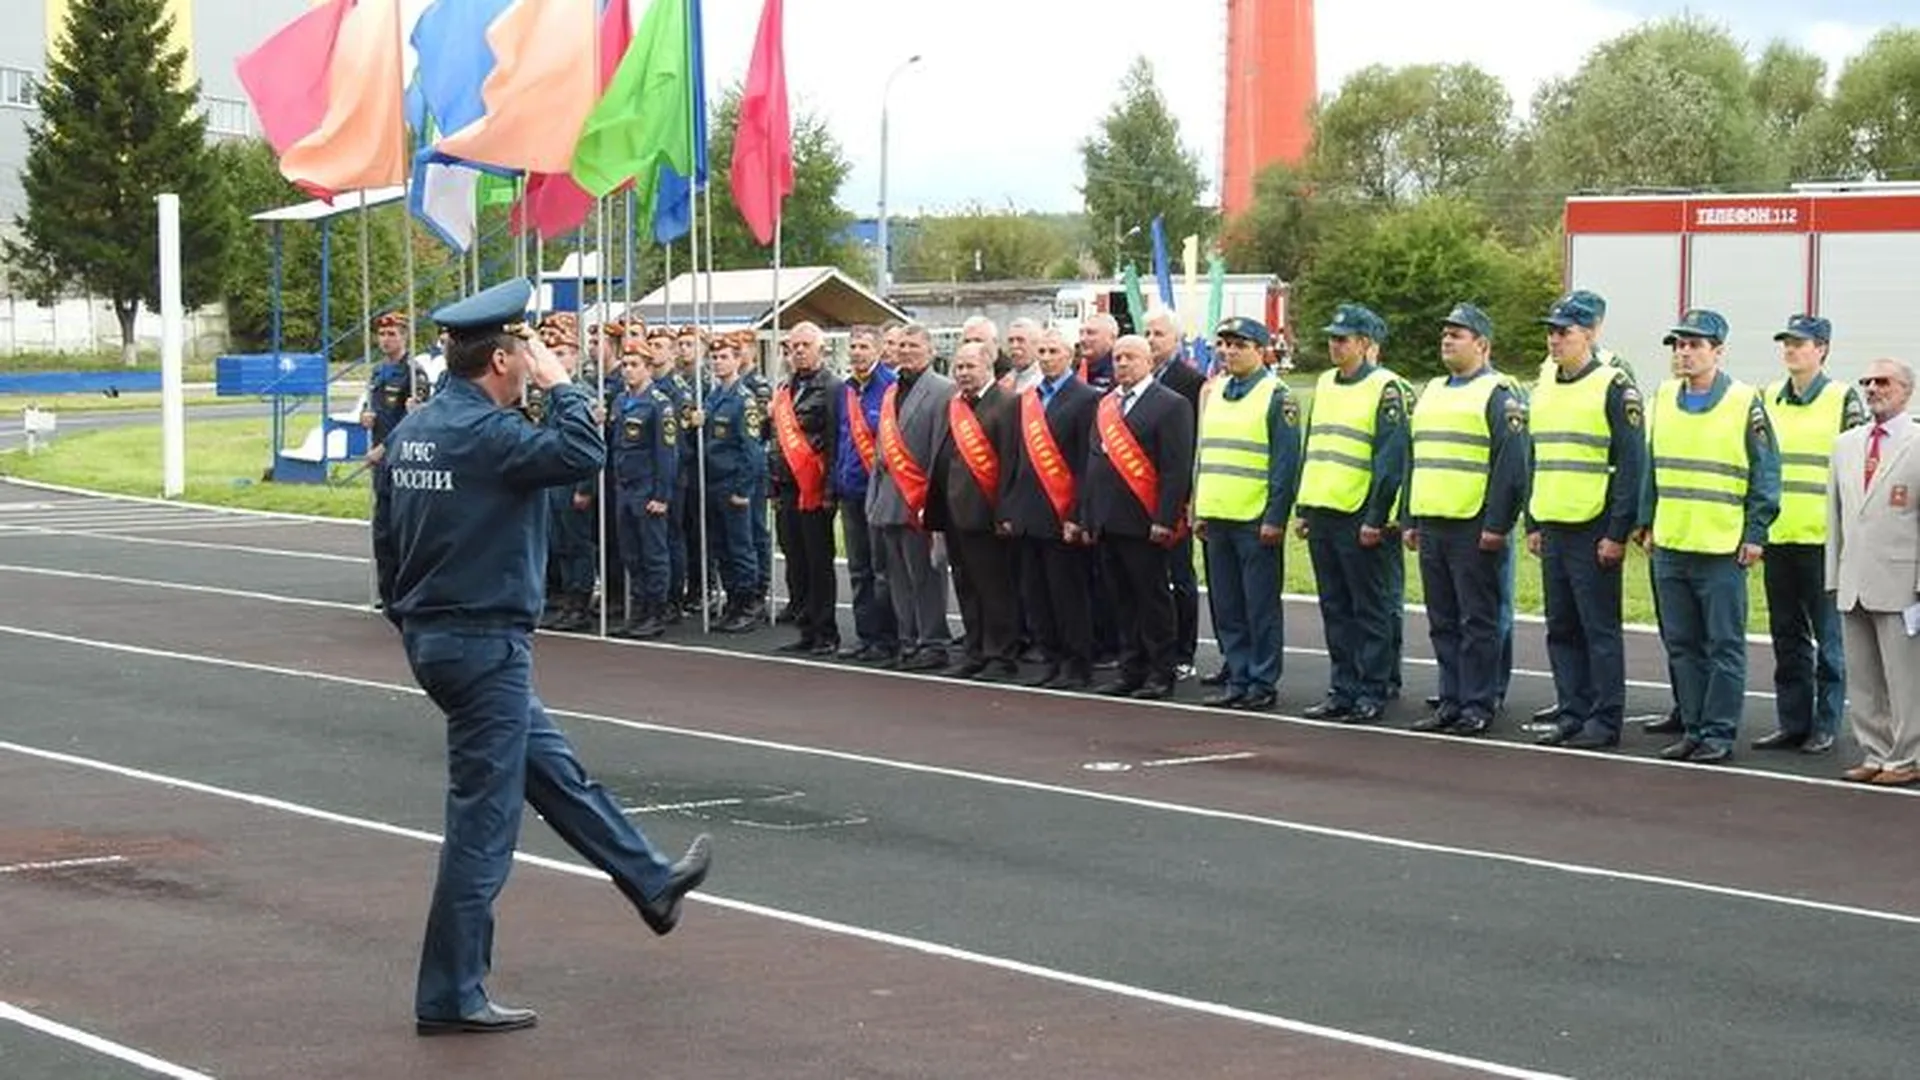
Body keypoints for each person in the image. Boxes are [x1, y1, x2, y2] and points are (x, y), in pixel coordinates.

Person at [384, 278, 710, 1036]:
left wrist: (407, 619)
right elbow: (581, 451)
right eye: (526, 353)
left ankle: (649, 880)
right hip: (483, 642)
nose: (535, 364)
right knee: (483, 824)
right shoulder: (490, 436)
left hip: (440, 637)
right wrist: (566, 386)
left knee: (555, 774)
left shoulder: (415, 431)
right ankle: (450, 993)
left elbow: (385, 541)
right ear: (501, 359)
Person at [1637, 309, 1780, 765]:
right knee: (1681, 643)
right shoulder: (1662, 397)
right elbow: (1651, 467)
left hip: (1721, 547)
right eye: (1679, 345)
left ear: (1718, 351)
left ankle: (1718, 733)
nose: (1684, 353)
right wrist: (1646, 522)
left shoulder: (1744, 402)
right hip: (1672, 544)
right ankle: (1694, 727)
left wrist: (1756, 531)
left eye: (1695, 345)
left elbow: (1766, 473)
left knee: (1723, 645)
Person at [1404, 305, 1528, 737]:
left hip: (1473, 525)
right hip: (1434, 520)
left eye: (1458, 334)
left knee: (1478, 620)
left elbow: (1512, 466)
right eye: (1445, 333)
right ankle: (1451, 697)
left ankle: (1479, 701)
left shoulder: (1499, 392)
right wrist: (1410, 517)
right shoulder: (1433, 390)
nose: (1447, 340)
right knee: (1443, 619)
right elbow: (1414, 456)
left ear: (1483, 344)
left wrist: (1497, 524)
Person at [1527, 296, 1644, 750]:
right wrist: (1533, 521)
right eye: (1552, 331)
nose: (1555, 339)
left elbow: (1630, 464)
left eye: (1565, 332)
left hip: (1592, 527)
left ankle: (1604, 718)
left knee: (1599, 629)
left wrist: (1617, 532)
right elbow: (1537, 455)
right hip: (1554, 521)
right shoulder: (1544, 385)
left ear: (1590, 335)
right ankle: (1572, 712)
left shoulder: (1614, 386)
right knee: (1561, 628)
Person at [1295, 304, 1409, 725]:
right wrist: (1305, 507)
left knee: (1371, 608)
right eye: (1332, 337)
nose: (1334, 345)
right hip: (1325, 509)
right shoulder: (1325, 382)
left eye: (1343, 339)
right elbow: (1315, 444)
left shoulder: (1387, 388)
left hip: (1360, 515)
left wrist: (1376, 517)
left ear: (1366, 344)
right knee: (1336, 607)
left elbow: (1390, 459)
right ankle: (1343, 687)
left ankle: (1373, 688)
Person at [1756, 315, 1865, 754]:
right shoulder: (1768, 398)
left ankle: (1826, 724)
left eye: (1799, 343)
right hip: (1780, 538)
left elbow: (1856, 473)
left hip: (1823, 541)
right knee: (1787, 638)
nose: (1790, 350)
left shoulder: (1842, 399)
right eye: (1786, 342)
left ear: (1822, 349)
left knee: (1829, 641)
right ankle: (1793, 722)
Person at [1193, 317, 1300, 710]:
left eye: (1239, 345)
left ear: (1260, 350)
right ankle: (1237, 675)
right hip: (1219, 515)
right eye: (1225, 344)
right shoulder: (1217, 391)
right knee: (1228, 605)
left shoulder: (1277, 395)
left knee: (1260, 606)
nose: (1229, 352)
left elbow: (1285, 465)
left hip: (1255, 520)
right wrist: (1201, 509)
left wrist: (1275, 517)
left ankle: (1261, 680)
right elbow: (1207, 454)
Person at [1082, 334, 1196, 699]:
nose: (1122, 364)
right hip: (1108, 520)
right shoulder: (1105, 405)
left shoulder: (1171, 404)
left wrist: (1165, 518)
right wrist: (1088, 515)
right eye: (1117, 358)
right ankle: (1131, 667)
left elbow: (1176, 469)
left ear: (1149, 361)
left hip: (1145, 520)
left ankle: (1161, 671)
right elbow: (1093, 465)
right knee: (1122, 600)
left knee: (1152, 600)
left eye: (1131, 357)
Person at [1827, 357, 1920, 786]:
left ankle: (1907, 757)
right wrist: (1834, 575)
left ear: (1906, 390)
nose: (1873, 388)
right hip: (1854, 579)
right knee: (1863, 676)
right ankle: (1875, 750)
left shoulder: (1917, 444)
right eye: (1867, 381)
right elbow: (1837, 518)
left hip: (1902, 581)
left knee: (1904, 678)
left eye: (1883, 381)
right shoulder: (1846, 445)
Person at [1001, 327, 1102, 690]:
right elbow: (1014, 459)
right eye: (1041, 351)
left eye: (1053, 351)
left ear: (1070, 355)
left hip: (1062, 515)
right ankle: (1052, 657)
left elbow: (1084, 464)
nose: (1045, 357)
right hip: (1028, 512)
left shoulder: (1086, 398)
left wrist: (1076, 514)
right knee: (1036, 593)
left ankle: (1077, 663)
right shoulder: (1026, 400)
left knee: (1067, 593)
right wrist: (1009, 508)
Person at [931, 341, 1022, 678]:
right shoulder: (953, 404)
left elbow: (1011, 461)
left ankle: (1001, 654)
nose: (963, 373)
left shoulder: (1008, 404)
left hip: (987, 513)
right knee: (967, 585)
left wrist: (1004, 512)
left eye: (970, 366)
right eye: (959, 367)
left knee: (994, 587)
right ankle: (976, 648)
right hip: (954, 511)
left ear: (988, 367)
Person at [867, 324, 955, 669]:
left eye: (914, 346)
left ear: (930, 351)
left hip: (919, 500)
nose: (906, 351)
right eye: (902, 345)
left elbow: (939, 454)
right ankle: (908, 640)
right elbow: (879, 453)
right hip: (889, 499)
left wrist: (932, 507)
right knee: (898, 579)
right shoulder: (891, 391)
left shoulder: (943, 391)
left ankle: (932, 642)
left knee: (926, 577)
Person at [769, 321, 842, 654]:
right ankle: (806, 627)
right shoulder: (785, 387)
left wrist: (829, 490)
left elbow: (833, 441)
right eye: (793, 347)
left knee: (818, 563)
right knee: (795, 559)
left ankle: (825, 632)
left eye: (804, 346)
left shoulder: (832, 387)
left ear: (820, 349)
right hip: (786, 487)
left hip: (813, 487)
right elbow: (776, 441)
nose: (797, 351)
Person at [1144, 307, 1206, 681]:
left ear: (1177, 340)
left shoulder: (1191, 381)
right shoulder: (1139, 378)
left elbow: (1190, 445)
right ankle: (1153, 648)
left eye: (1159, 335)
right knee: (1148, 579)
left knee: (1179, 576)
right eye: (1147, 334)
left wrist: (1184, 498)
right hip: (1139, 493)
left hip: (1175, 494)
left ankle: (1184, 651)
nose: (1152, 341)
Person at [833, 326, 899, 661]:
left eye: (863, 346)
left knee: (882, 570)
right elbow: (839, 440)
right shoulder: (845, 390)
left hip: (879, 493)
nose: (857, 352)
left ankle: (888, 638)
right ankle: (865, 635)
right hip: (850, 491)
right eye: (853, 346)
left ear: (877, 349)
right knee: (858, 569)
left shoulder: (890, 387)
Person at [695, 332, 768, 633]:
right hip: (713, 481)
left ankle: (747, 603)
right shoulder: (712, 398)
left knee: (741, 547)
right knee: (721, 546)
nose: (718, 362)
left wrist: (742, 490)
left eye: (725, 356)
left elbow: (751, 449)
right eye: (714, 357)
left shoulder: (744, 400)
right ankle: (732, 600)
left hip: (733, 483)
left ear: (738, 360)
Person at [607, 341, 679, 639]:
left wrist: (661, 496)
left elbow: (667, 453)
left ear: (649, 368)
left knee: (654, 554)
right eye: (625, 364)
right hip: (624, 487)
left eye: (635, 365)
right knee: (631, 554)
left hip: (648, 488)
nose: (628, 370)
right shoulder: (620, 401)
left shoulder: (659, 404)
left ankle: (655, 612)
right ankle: (638, 609)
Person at [363, 311, 418, 609]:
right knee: (382, 529)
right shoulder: (378, 371)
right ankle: (387, 592)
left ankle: (405, 590)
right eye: (382, 334)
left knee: (403, 528)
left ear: (405, 336)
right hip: (380, 458)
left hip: (401, 458)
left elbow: (414, 420)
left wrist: (383, 448)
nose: (386, 340)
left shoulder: (412, 372)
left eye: (392, 334)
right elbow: (375, 409)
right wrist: (366, 418)